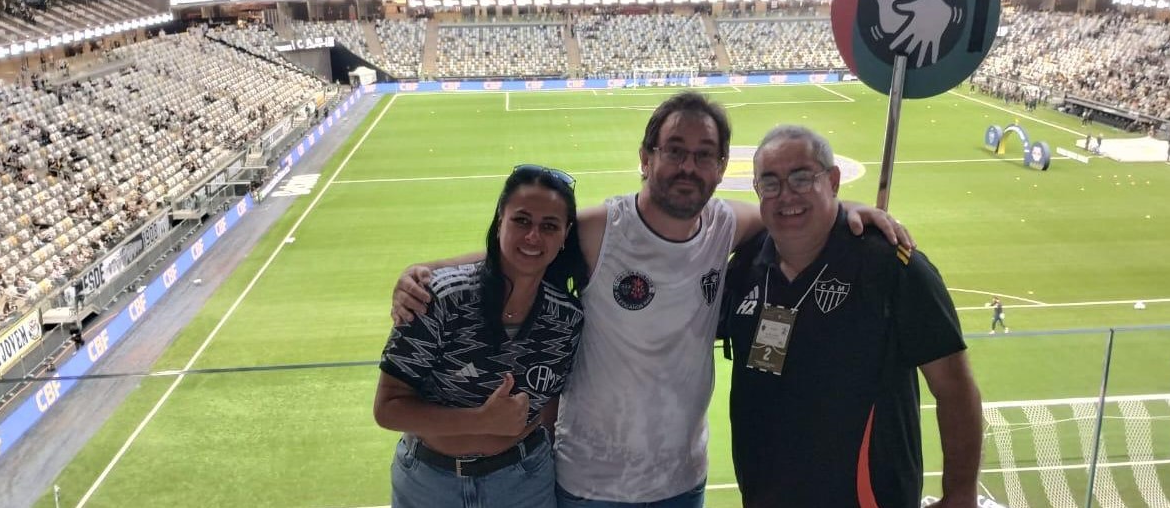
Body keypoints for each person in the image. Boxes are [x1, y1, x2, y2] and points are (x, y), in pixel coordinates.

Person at [391, 92, 913, 506]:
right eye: (675, 151)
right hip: (590, 483)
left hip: (681, 482)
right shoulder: (600, 230)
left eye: (704, 155)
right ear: (646, 158)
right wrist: (428, 273)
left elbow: (794, 214)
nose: (688, 166)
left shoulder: (727, 225)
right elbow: (519, 252)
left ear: (721, 166)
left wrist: (848, 209)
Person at [720, 125, 982, 507]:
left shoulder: (891, 266)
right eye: (770, 183)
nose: (786, 195)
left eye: (801, 178)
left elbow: (954, 387)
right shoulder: (744, 267)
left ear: (833, 181)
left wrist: (960, 492)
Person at [373, 164, 589, 508]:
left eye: (549, 226)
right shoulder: (438, 299)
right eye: (522, 220)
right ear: (500, 220)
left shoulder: (567, 318)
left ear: (565, 235)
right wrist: (480, 420)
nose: (533, 236)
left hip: (524, 483)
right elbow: (387, 409)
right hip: (429, 485)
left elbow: (550, 405)